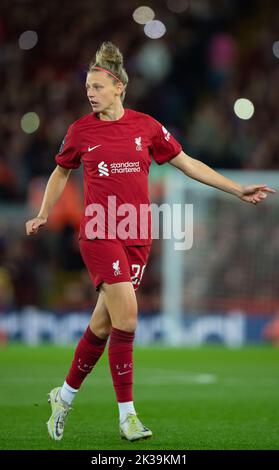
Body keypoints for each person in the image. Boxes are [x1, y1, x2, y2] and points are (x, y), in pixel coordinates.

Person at [25, 41, 275, 442]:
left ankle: (64, 395)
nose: (90, 93)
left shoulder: (146, 127)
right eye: (87, 87)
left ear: (119, 87)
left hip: (137, 236)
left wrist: (236, 189)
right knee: (128, 319)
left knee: (103, 324)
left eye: (98, 87)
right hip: (100, 231)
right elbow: (60, 172)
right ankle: (128, 417)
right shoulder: (80, 131)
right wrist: (43, 212)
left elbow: (187, 162)